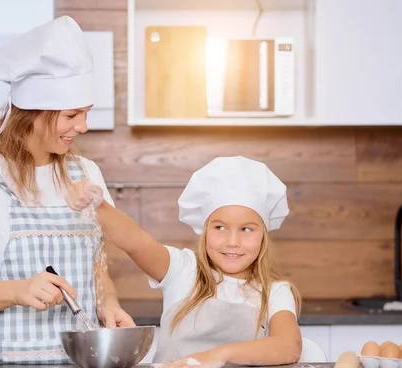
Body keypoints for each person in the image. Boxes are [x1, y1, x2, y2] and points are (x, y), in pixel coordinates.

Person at [0, 15, 134, 365]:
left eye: (86, 113)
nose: (82, 126)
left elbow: (96, 269)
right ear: (32, 114)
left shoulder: (86, 173)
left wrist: (108, 304)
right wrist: (17, 290)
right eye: (72, 115)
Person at [69, 156, 303, 367]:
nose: (233, 241)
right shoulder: (182, 269)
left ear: (263, 234)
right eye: (219, 227)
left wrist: (217, 355)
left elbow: (288, 346)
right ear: (205, 230)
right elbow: (135, 241)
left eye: (246, 229)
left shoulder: (274, 292)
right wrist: (99, 206)